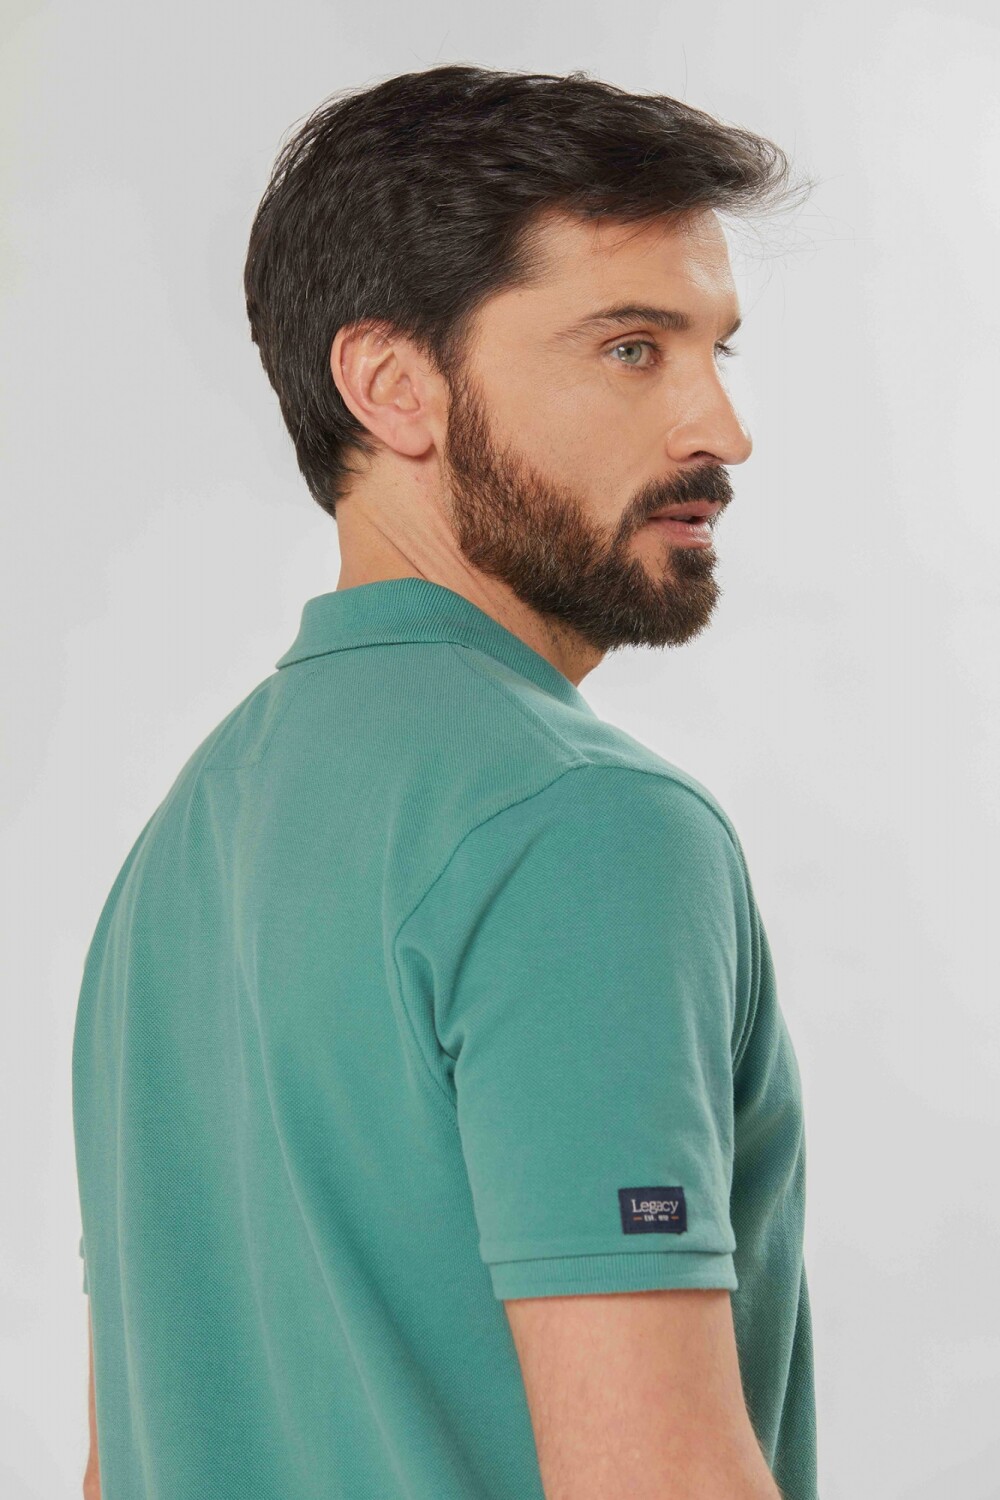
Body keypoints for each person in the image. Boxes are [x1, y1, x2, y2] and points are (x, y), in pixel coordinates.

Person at [73, 63, 819, 1500]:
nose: (720, 430)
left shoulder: (176, 853)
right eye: (631, 348)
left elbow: (123, 1463)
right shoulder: (583, 828)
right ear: (393, 388)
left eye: (716, 350)